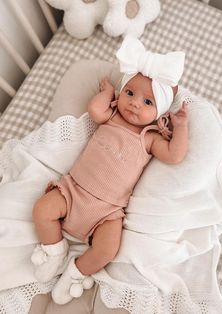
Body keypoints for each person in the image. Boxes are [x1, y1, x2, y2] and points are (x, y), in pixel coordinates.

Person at [31, 35, 188, 305]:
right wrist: (108, 93)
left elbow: (174, 156)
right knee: (42, 209)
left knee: (107, 249)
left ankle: (75, 271)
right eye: (129, 93)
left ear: (159, 111)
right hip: (74, 190)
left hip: (107, 212)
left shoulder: (150, 138)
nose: (135, 103)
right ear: (121, 93)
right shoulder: (112, 115)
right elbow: (94, 110)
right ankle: (55, 250)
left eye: (147, 102)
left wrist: (181, 127)